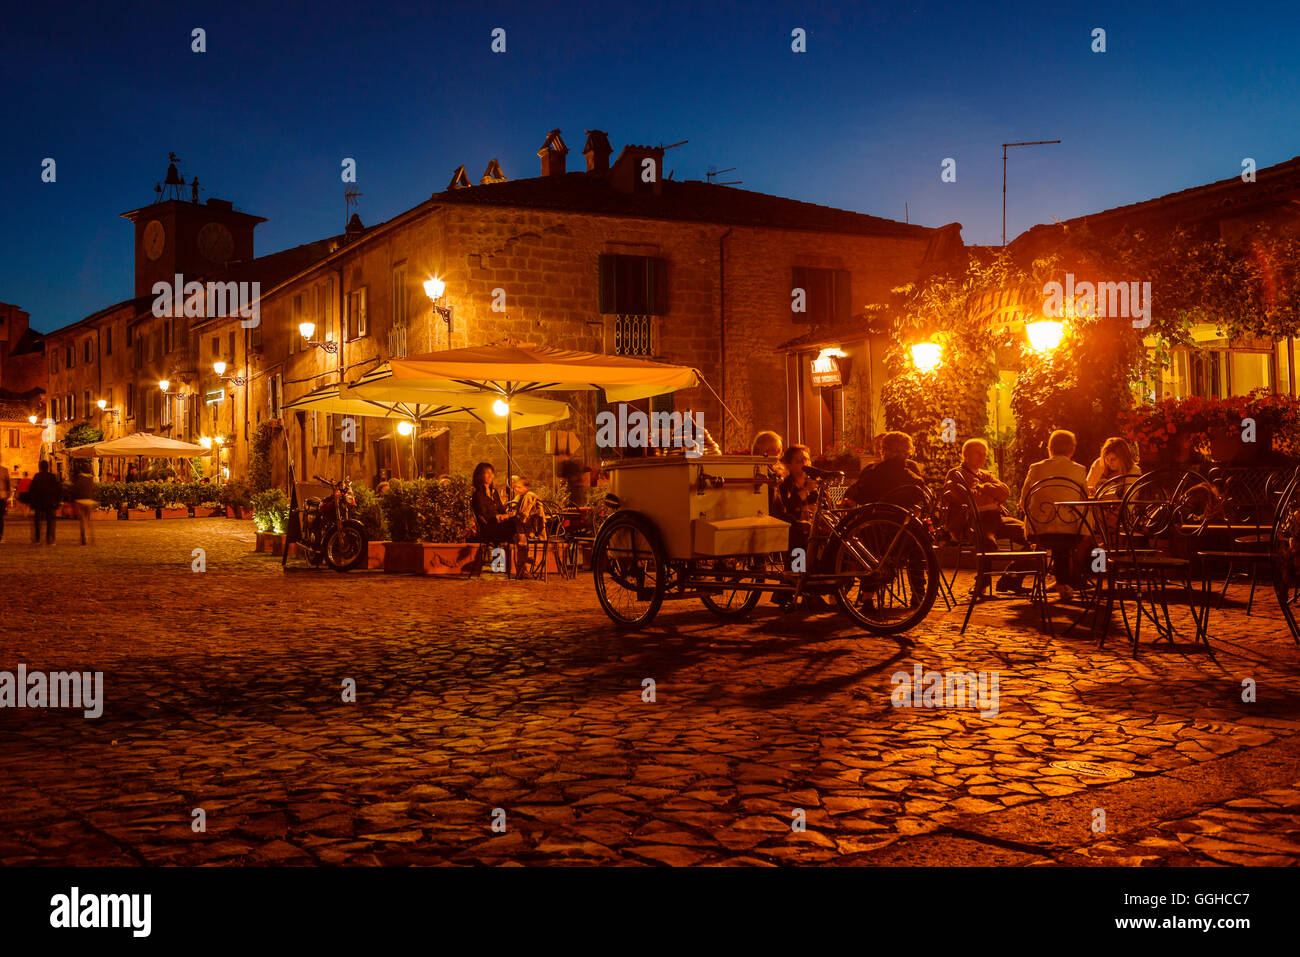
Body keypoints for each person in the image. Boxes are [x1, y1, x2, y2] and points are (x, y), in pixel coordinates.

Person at [944, 438, 1029, 594]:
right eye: (978, 453)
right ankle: (982, 583)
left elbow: (1005, 492)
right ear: (966, 454)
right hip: (973, 520)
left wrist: (984, 488)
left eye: (985, 454)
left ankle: (1011, 578)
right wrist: (989, 495)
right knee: (987, 543)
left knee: (1032, 535)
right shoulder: (956, 473)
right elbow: (964, 497)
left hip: (996, 517)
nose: (983, 457)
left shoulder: (986, 475)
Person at [1020, 429, 1088, 600]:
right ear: (1072, 450)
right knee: (1065, 542)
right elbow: (1084, 501)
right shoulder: (1079, 470)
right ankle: (1069, 581)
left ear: (1049, 448)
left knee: (1056, 542)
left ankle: (1062, 582)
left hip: (1039, 530)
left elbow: (1023, 501)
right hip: (1071, 530)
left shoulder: (1035, 469)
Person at [843, 431, 925, 508]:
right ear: (908, 452)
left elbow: (860, 496)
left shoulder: (874, 472)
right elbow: (919, 495)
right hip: (902, 520)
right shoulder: (914, 479)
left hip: (874, 518)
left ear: (884, 451)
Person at [28, 459, 62, 545]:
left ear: (40, 467)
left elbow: (32, 490)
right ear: (48, 467)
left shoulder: (37, 476)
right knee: (50, 522)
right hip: (50, 502)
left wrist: (32, 502)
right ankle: (49, 539)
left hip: (38, 502)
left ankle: (38, 539)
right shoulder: (52, 476)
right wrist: (58, 501)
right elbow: (58, 490)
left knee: (38, 522)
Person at [71, 465, 97, 546]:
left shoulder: (79, 479)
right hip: (89, 502)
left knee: (82, 521)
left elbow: (75, 489)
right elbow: (94, 490)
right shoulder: (91, 479)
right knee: (88, 521)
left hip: (81, 501)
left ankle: (83, 538)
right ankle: (92, 537)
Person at [0, 461, 10, 543]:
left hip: (1, 496)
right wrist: (8, 494)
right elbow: (8, 484)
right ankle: (0, 535)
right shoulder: (4, 470)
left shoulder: (4, 470)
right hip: (1, 496)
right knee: (0, 518)